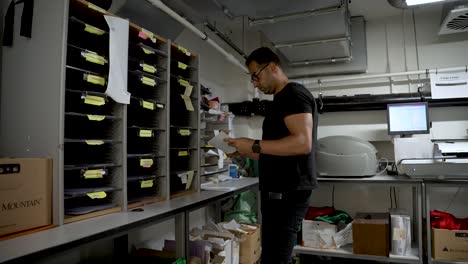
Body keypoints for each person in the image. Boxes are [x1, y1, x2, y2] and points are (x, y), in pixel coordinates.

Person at [225, 47, 318, 264]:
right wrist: (245, 150)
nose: (254, 83)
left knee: (275, 259)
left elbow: (303, 144)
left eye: (255, 76)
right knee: (272, 257)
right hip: (278, 194)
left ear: (273, 67)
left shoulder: (293, 94)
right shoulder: (281, 100)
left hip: (287, 194)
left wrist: (254, 145)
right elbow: (277, 150)